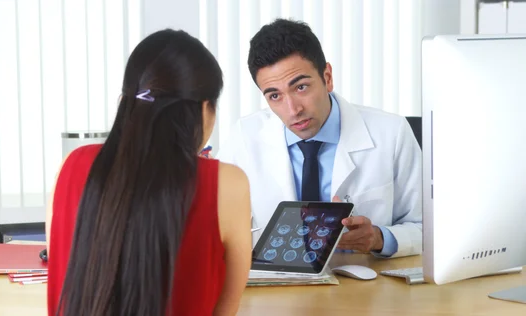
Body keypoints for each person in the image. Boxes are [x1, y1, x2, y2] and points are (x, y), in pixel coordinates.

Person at [46, 29, 252, 316]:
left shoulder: (71, 166)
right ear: (206, 108)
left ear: (125, 102)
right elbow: (225, 308)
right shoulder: (226, 184)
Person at [217, 19, 422, 258]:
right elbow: (210, 225)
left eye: (301, 87)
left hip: (365, 287)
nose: (293, 110)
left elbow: (427, 229)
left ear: (327, 77)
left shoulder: (392, 132)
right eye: (274, 96)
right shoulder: (245, 136)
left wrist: (378, 237)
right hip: (281, 287)